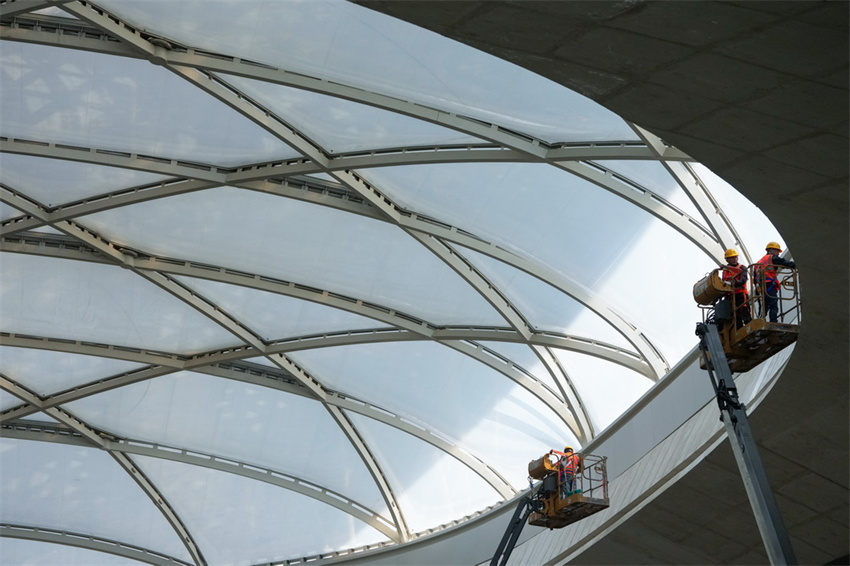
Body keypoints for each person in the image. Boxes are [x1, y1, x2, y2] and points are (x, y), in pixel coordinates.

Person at [755, 242, 796, 322]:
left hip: (760, 286)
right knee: (773, 304)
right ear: (771, 250)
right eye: (777, 251)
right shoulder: (772, 258)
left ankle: (760, 321)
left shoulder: (759, 261)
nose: (778, 253)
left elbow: (755, 276)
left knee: (764, 305)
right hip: (769, 284)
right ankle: (773, 322)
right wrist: (796, 265)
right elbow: (784, 262)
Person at [721, 249, 751, 328]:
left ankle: (749, 326)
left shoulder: (741, 267)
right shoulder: (725, 271)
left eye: (735, 257)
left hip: (740, 294)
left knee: (744, 311)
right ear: (727, 259)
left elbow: (744, 279)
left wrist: (734, 282)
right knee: (735, 317)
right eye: (732, 258)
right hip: (730, 296)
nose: (734, 259)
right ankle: (739, 330)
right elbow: (723, 283)